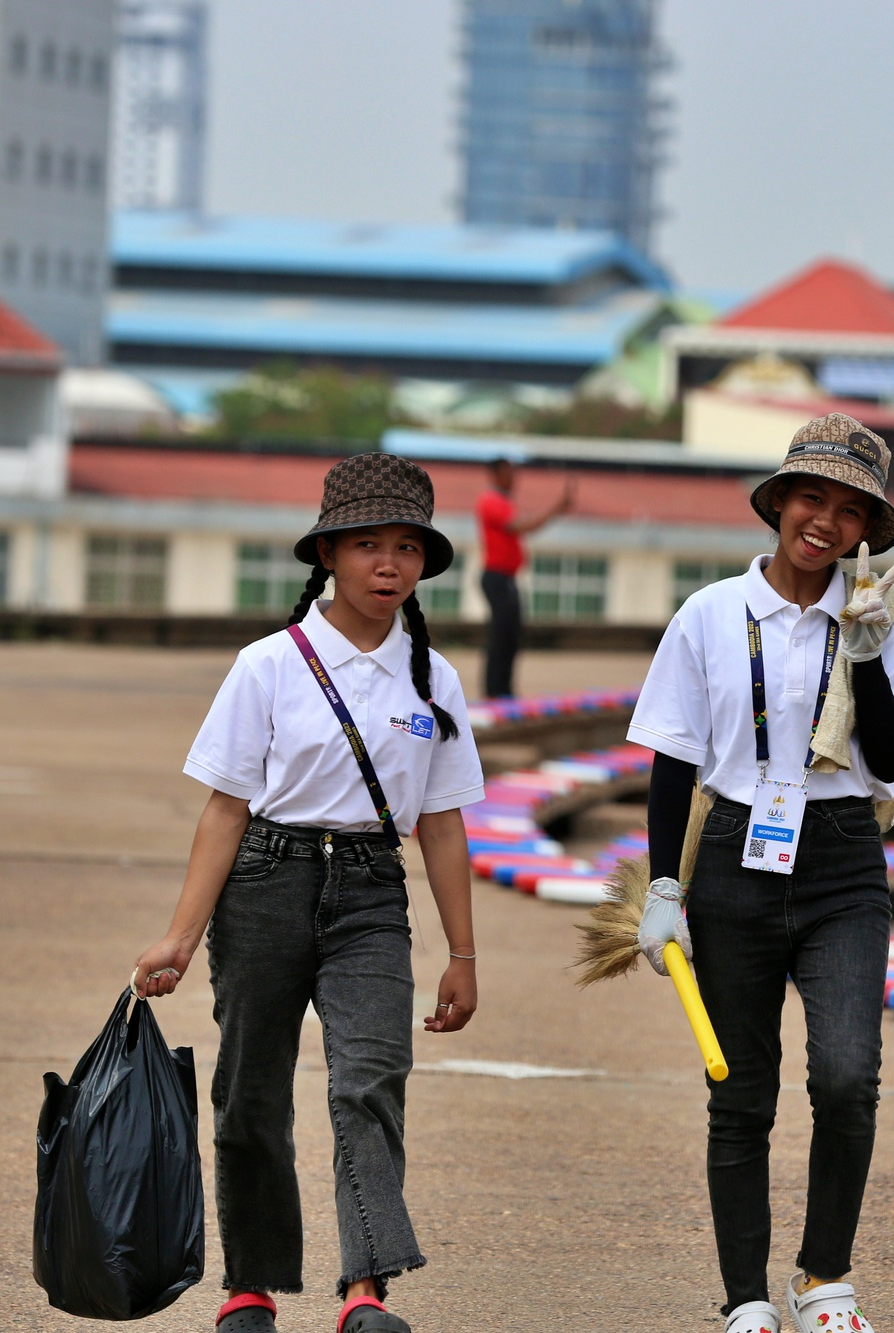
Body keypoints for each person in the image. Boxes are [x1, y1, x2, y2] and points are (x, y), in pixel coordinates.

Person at [132, 453, 485, 1333]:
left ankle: (365, 1291)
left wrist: (464, 954)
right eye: (367, 545)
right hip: (265, 882)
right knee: (251, 1090)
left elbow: (441, 824)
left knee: (371, 1077)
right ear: (327, 554)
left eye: (407, 547)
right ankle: (249, 1285)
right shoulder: (268, 665)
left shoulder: (433, 679)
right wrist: (181, 934)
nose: (388, 565)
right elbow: (224, 809)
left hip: (371, 892)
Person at [626, 414, 894, 1333]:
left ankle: (824, 1281)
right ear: (778, 503)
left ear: (868, 530)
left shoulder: (890, 619)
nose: (826, 522)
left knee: (847, 1076)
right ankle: (746, 1299)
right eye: (812, 497)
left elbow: (893, 757)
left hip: (842, 860)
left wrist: (870, 656)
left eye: (850, 509)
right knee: (741, 1090)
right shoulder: (712, 613)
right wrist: (664, 887)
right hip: (731, 860)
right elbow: (674, 757)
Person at [474, 457, 575, 699]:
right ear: (496, 474)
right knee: (501, 635)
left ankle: (503, 689)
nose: (514, 478)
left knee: (510, 634)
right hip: (497, 576)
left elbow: (525, 526)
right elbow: (521, 526)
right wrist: (555, 508)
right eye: (509, 472)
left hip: (506, 577)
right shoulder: (491, 500)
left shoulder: (505, 501)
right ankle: (495, 690)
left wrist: (556, 511)